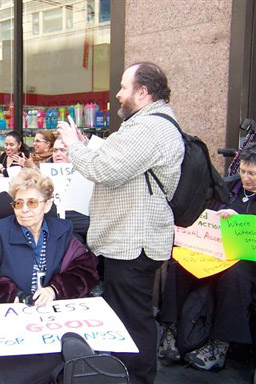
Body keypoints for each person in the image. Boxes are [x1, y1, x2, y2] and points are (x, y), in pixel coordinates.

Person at [58, 61, 185, 384]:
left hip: (133, 243)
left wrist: (74, 144)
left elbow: (105, 170)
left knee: (132, 318)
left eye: (124, 87)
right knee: (126, 314)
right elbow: (113, 164)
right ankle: (123, 374)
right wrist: (87, 148)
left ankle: (138, 378)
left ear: (143, 92)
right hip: (129, 240)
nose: (118, 94)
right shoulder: (147, 125)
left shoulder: (149, 128)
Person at [0, 168, 98, 383]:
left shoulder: (63, 231)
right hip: (10, 316)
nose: (24, 209)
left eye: (32, 202)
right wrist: (12, 294)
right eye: (18, 203)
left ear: (47, 205)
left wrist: (56, 289)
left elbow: (85, 270)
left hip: (55, 317)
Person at [158, 142, 256, 371]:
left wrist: (240, 223)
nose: (245, 178)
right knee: (179, 264)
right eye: (242, 171)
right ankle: (171, 330)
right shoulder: (229, 187)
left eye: (252, 173)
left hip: (246, 261)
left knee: (236, 275)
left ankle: (219, 344)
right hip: (213, 252)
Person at [51, 137, 90, 244]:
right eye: (55, 150)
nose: (57, 154)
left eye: (63, 150)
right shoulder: (44, 174)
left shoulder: (87, 175)